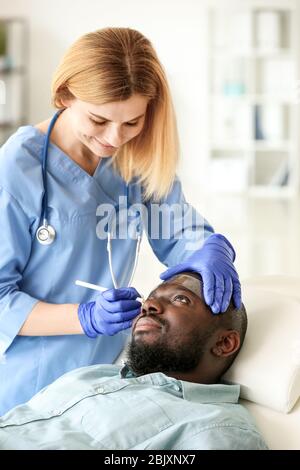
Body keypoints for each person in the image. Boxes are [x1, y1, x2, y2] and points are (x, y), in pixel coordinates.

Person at [0, 27, 241, 415]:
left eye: (132, 122)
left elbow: (176, 228)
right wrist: (83, 317)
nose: (114, 138)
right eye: (98, 119)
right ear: (64, 96)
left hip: (107, 377)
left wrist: (210, 249)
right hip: (33, 385)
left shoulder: (135, 154)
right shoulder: (16, 171)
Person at [0, 272, 267, 450]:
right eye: (150, 298)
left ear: (224, 343)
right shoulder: (92, 376)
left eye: (180, 299)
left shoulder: (222, 429)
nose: (148, 305)